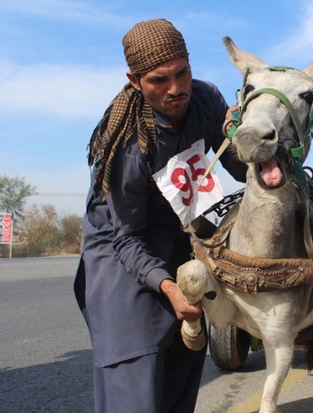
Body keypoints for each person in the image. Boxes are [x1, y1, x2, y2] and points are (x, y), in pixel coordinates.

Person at [73, 19, 247, 413]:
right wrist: (168, 289)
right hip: (120, 255)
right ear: (135, 81)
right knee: (136, 374)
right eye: (158, 80)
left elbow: (240, 168)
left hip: (179, 240)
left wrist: (247, 134)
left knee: (182, 369)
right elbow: (127, 238)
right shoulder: (130, 147)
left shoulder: (206, 99)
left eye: (182, 72)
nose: (176, 89)